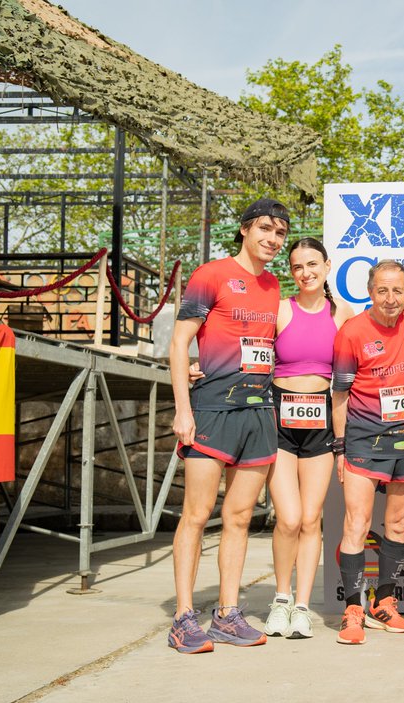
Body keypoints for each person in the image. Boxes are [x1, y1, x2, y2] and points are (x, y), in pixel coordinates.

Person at [166, 198, 287, 653]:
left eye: (279, 233)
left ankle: (227, 614)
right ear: (244, 230)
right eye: (264, 229)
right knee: (196, 515)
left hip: (259, 412)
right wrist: (183, 408)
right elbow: (180, 344)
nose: (272, 239)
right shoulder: (211, 275)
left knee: (238, 517)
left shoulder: (274, 285)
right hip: (212, 409)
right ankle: (182, 617)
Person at [260, 238, 353, 640]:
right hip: (279, 419)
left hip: (321, 422)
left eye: (312, 264)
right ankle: (279, 600)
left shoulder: (343, 314)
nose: (305, 273)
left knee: (311, 519)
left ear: (327, 266)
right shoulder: (280, 309)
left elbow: (356, 374)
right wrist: (203, 366)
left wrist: (346, 441)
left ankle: (301, 605)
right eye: (297, 267)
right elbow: (248, 351)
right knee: (290, 518)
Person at [330, 260, 404, 645]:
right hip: (364, 439)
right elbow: (339, 395)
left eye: (398, 290)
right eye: (382, 290)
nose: (390, 298)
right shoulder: (352, 333)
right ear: (370, 292)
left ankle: (384, 602)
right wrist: (339, 448)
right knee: (356, 523)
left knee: (398, 525)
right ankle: (353, 609)